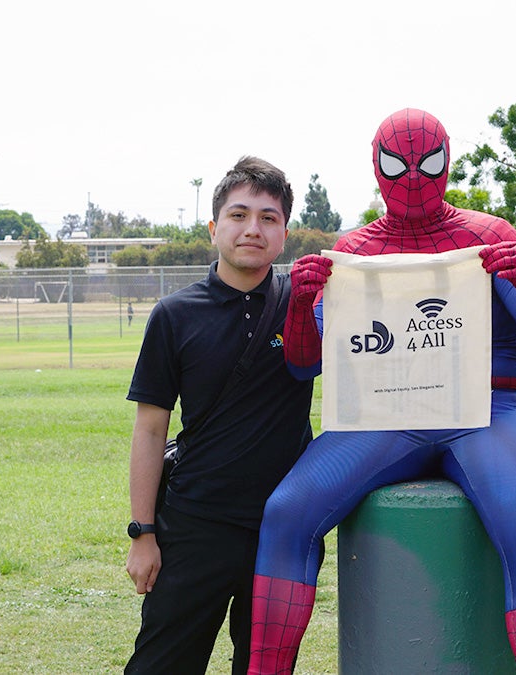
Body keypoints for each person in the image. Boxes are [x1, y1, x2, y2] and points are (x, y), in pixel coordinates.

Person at [248, 108, 516, 675]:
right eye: (396, 164)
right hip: (385, 409)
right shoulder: (353, 252)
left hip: (486, 406)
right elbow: (304, 365)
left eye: (426, 164)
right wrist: (303, 304)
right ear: (375, 167)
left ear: (447, 162)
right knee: (286, 512)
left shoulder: (489, 237)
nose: (411, 179)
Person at [123, 156, 314, 675]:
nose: (253, 228)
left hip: (283, 531)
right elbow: (150, 427)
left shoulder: (307, 305)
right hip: (194, 526)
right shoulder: (175, 315)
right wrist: (143, 533)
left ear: (284, 233)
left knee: (266, 668)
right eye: (239, 214)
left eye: (268, 218)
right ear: (214, 228)